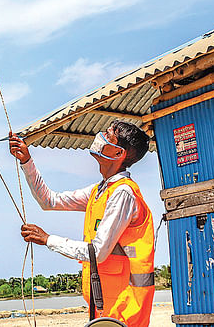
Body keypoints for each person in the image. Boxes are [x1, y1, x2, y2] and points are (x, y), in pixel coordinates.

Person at [9, 120, 155, 327]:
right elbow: (49, 201)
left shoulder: (123, 193)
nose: (100, 136)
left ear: (117, 153)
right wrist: (27, 162)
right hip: (104, 306)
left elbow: (98, 251)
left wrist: (48, 239)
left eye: (108, 135)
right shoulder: (100, 191)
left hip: (124, 309)